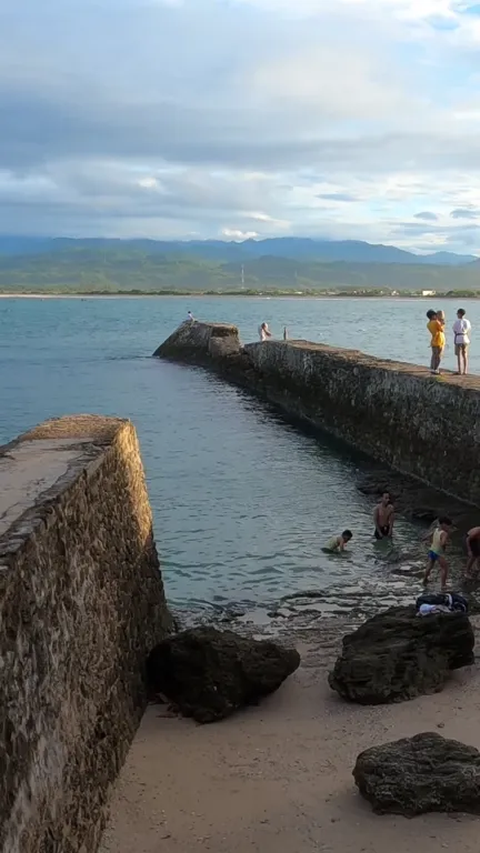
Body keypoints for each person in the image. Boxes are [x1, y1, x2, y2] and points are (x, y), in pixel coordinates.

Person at [423, 516, 452, 590]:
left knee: (430, 565)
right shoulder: (444, 533)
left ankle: (425, 579)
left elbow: (430, 538)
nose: (448, 527)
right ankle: (443, 585)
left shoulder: (436, 530)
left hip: (432, 550)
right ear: (443, 524)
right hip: (438, 552)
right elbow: (442, 543)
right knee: (444, 568)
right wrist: (446, 544)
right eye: (448, 525)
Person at [452, 308, 471, 376]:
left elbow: (454, 330)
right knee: (465, 354)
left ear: (459, 314)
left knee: (459, 355)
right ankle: (465, 370)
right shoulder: (467, 321)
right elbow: (468, 329)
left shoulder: (457, 322)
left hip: (459, 338)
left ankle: (460, 370)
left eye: (457, 313)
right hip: (465, 338)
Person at [426, 309, 445, 375]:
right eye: (435, 315)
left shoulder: (429, 324)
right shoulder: (436, 322)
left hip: (433, 341)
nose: (436, 316)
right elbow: (442, 329)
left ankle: (432, 368)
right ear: (432, 316)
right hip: (439, 341)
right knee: (439, 356)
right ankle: (436, 369)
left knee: (434, 355)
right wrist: (442, 322)